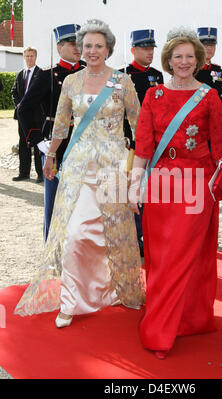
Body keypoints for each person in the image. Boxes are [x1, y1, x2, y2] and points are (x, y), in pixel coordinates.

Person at [14, 19, 144, 328]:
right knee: (74, 235)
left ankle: (116, 289)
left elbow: (139, 125)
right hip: (78, 167)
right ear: (80, 49)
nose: (93, 50)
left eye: (99, 45)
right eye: (87, 45)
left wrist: (140, 165)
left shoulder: (123, 82)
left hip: (113, 167)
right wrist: (50, 156)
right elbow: (60, 123)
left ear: (108, 49)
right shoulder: (71, 82)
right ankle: (71, 301)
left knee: (114, 232)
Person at [128, 27, 222, 359]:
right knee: (160, 257)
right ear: (168, 60)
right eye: (178, 56)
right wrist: (134, 185)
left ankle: (162, 331)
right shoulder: (154, 95)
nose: (184, 62)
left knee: (181, 257)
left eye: (190, 56)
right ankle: (180, 319)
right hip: (160, 183)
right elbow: (143, 145)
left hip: (196, 185)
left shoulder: (209, 96)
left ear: (198, 59)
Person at [17, 24, 85, 241]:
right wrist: (38, 141)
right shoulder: (48, 75)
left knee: (84, 201)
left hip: (85, 143)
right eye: (73, 43)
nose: (78, 48)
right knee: (55, 201)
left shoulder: (90, 72)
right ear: (59, 47)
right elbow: (24, 108)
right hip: (58, 144)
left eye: (80, 43)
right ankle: (52, 248)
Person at [119, 29, 164, 258]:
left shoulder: (158, 75)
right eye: (145, 48)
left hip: (155, 145)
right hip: (132, 146)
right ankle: (134, 238)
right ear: (133, 50)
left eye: (152, 48)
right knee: (131, 194)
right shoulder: (121, 75)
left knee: (153, 194)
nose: (150, 52)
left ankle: (150, 236)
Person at [11, 47, 44, 183]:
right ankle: (23, 173)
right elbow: (14, 91)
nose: (29, 58)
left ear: (35, 57)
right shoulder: (21, 74)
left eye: (31, 56)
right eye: (27, 56)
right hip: (22, 116)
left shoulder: (41, 73)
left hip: (36, 116)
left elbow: (43, 94)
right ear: (24, 57)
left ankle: (40, 174)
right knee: (23, 144)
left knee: (37, 144)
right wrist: (18, 105)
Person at [195, 27, 222, 118]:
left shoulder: (217, 70)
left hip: (216, 119)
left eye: (212, 45)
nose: (209, 48)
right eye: (205, 45)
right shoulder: (191, 70)